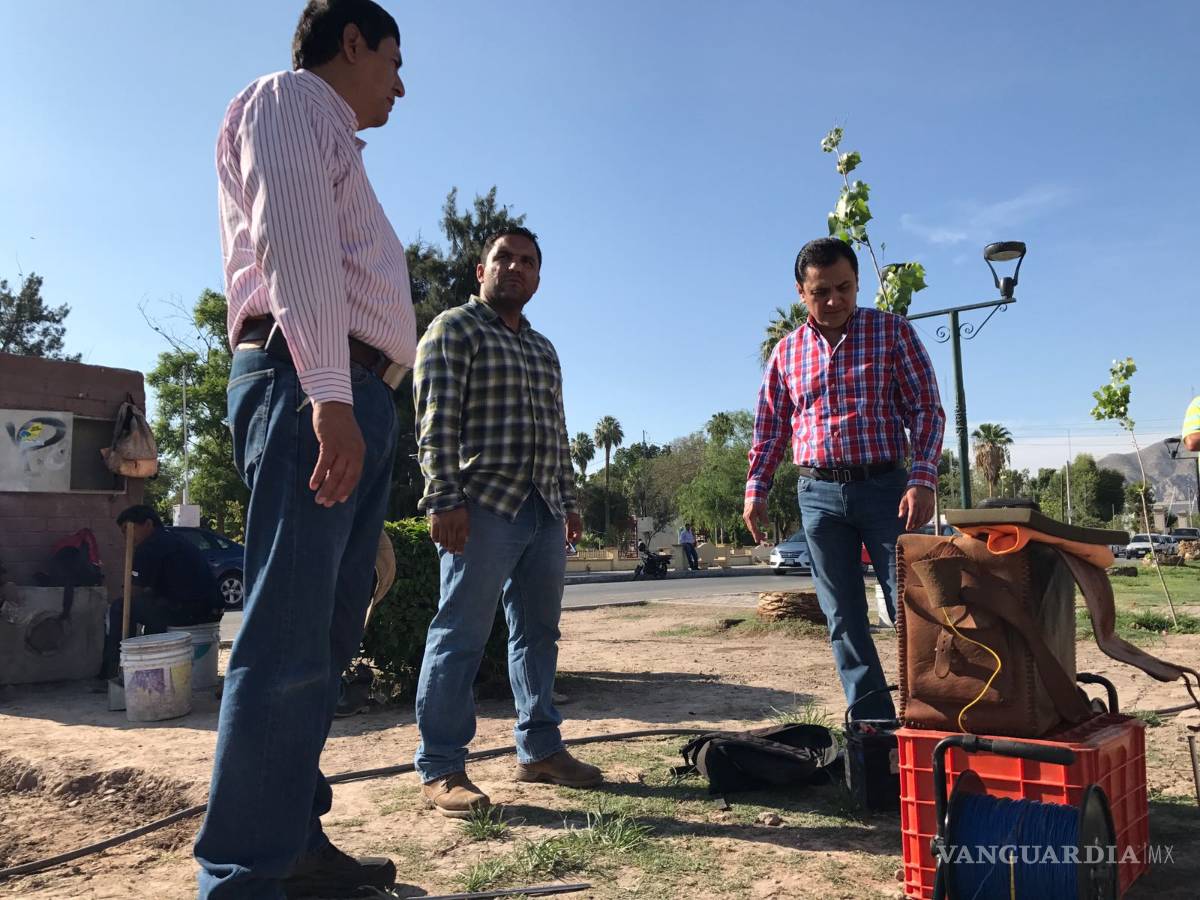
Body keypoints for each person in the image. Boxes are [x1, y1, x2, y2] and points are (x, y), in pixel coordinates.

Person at [193, 2, 416, 898]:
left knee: (319, 643)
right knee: (288, 642)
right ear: (352, 41)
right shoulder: (288, 101)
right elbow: (296, 250)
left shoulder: (323, 132)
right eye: (394, 61)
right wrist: (330, 396)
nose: (400, 85)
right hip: (310, 383)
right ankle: (243, 878)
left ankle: (290, 848)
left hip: (337, 387)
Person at [412, 226, 602, 818]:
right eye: (504, 258)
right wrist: (443, 499)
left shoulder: (544, 349)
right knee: (460, 635)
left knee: (538, 635)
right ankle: (441, 767)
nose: (514, 268)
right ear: (481, 269)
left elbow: (558, 432)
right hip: (482, 506)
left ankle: (540, 750)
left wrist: (569, 503)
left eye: (527, 261)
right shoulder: (453, 329)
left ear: (538, 277)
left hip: (543, 509)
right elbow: (434, 422)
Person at [743, 237, 945, 721]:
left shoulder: (892, 332)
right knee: (842, 618)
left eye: (844, 288)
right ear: (800, 292)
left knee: (911, 609)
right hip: (817, 496)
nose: (833, 301)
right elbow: (770, 428)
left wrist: (923, 477)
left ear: (858, 284)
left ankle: (933, 714)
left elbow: (926, 408)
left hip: (887, 492)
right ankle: (873, 725)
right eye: (820, 292)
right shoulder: (785, 353)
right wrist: (757, 488)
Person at [98, 506, 222, 680]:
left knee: (120, 607)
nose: (127, 537)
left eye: (129, 529)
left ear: (148, 524)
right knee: (151, 609)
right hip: (209, 610)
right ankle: (150, 664)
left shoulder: (149, 546)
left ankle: (115, 669)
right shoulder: (175, 539)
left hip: (188, 611)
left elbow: (133, 593)